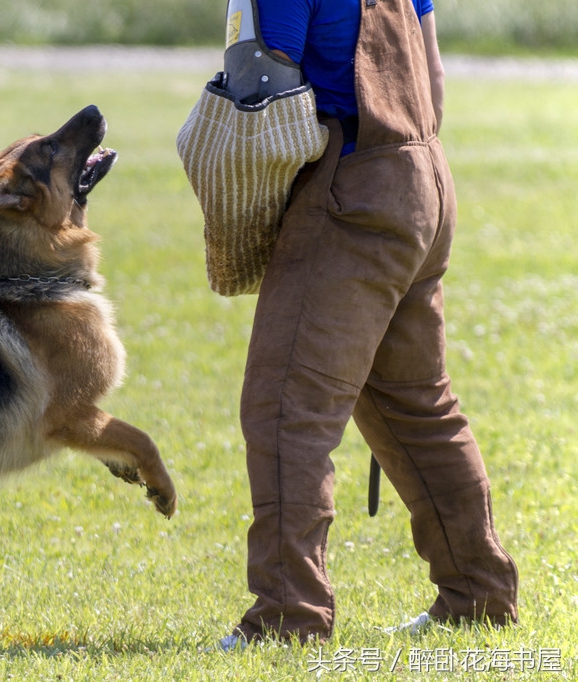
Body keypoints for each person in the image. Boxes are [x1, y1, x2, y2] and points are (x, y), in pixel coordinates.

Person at [222, 0, 520, 647]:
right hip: (421, 178)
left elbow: (268, 84)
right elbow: (430, 80)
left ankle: (286, 618)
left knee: (284, 410)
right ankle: (479, 592)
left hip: (349, 186)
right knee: (415, 403)